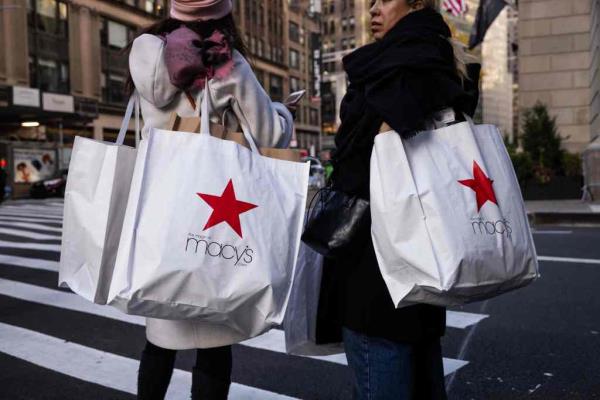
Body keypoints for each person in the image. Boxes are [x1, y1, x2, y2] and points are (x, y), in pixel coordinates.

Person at [125, 0, 294, 398]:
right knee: (216, 348)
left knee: (159, 341)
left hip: (164, 213)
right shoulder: (226, 59)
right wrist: (282, 113)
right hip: (217, 208)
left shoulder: (146, 50)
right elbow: (268, 135)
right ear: (224, 16)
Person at [324, 0, 480, 399]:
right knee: (421, 368)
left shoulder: (397, 66)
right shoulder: (439, 56)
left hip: (376, 257)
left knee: (381, 367)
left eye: (384, 0)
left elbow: (369, 159)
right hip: (425, 253)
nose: (373, 10)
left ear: (414, 3)